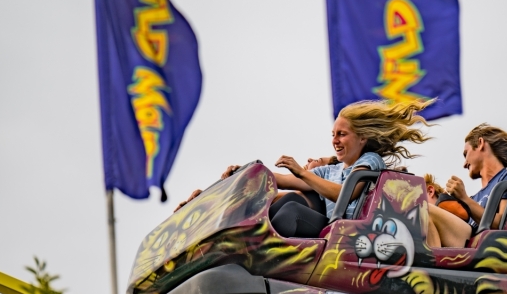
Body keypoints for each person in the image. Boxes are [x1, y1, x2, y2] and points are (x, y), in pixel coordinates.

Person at [180, 99, 433, 238]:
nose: (335, 140)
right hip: (330, 231)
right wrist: (245, 175)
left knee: (290, 210)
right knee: (277, 202)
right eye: (333, 134)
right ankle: (213, 225)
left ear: (362, 137)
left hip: (352, 234)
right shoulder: (328, 172)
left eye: (342, 134)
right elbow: (280, 180)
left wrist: (301, 171)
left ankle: (255, 248)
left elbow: (346, 193)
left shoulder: (370, 161)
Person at [427, 123, 507, 247]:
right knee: (416, 213)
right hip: (469, 242)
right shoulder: (474, 199)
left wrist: (464, 199)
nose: (464, 164)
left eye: (466, 154)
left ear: (480, 143)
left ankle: (430, 259)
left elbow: (503, 224)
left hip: (488, 246)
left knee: (423, 208)